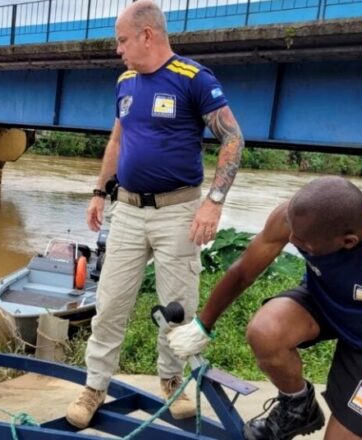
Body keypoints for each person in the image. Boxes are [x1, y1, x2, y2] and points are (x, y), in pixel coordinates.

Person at [66, 0, 245, 429]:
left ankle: (172, 382)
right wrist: (98, 192)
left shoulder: (194, 80)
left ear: (147, 34)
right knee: (109, 304)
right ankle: (94, 387)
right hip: (126, 209)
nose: (118, 49)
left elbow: (234, 139)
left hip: (178, 212)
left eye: (123, 40)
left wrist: (213, 202)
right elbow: (116, 141)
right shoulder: (125, 81)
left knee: (176, 308)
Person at [167, 176, 362, 440]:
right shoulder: (296, 217)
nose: (291, 241)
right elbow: (243, 272)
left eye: (302, 244)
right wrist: (203, 324)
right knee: (266, 331)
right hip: (321, 304)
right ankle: (298, 406)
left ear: (347, 242)